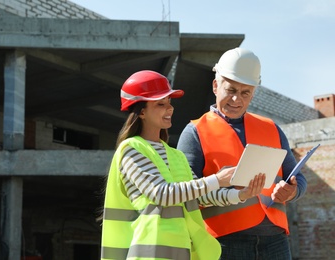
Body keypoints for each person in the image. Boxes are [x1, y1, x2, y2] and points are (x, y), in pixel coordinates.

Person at [100, 70, 265, 260]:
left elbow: (196, 196)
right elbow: (161, 194)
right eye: (161, 104)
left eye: (170, 103)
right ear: (142, 111)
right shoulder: (131, 149)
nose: (169, 109)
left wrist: (239, 195)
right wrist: (217, 180)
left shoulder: (175, 155)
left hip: (181, 251)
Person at [177, 47, 308, 260]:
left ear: (253, 93)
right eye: (231, 90)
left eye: (245, 93)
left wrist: (292, 191)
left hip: (275, 241)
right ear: (215, 86)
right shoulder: (195, 132)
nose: (236, 99)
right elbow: (187, 193)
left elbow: (297, 178)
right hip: (224, 243)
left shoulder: (271, 128)